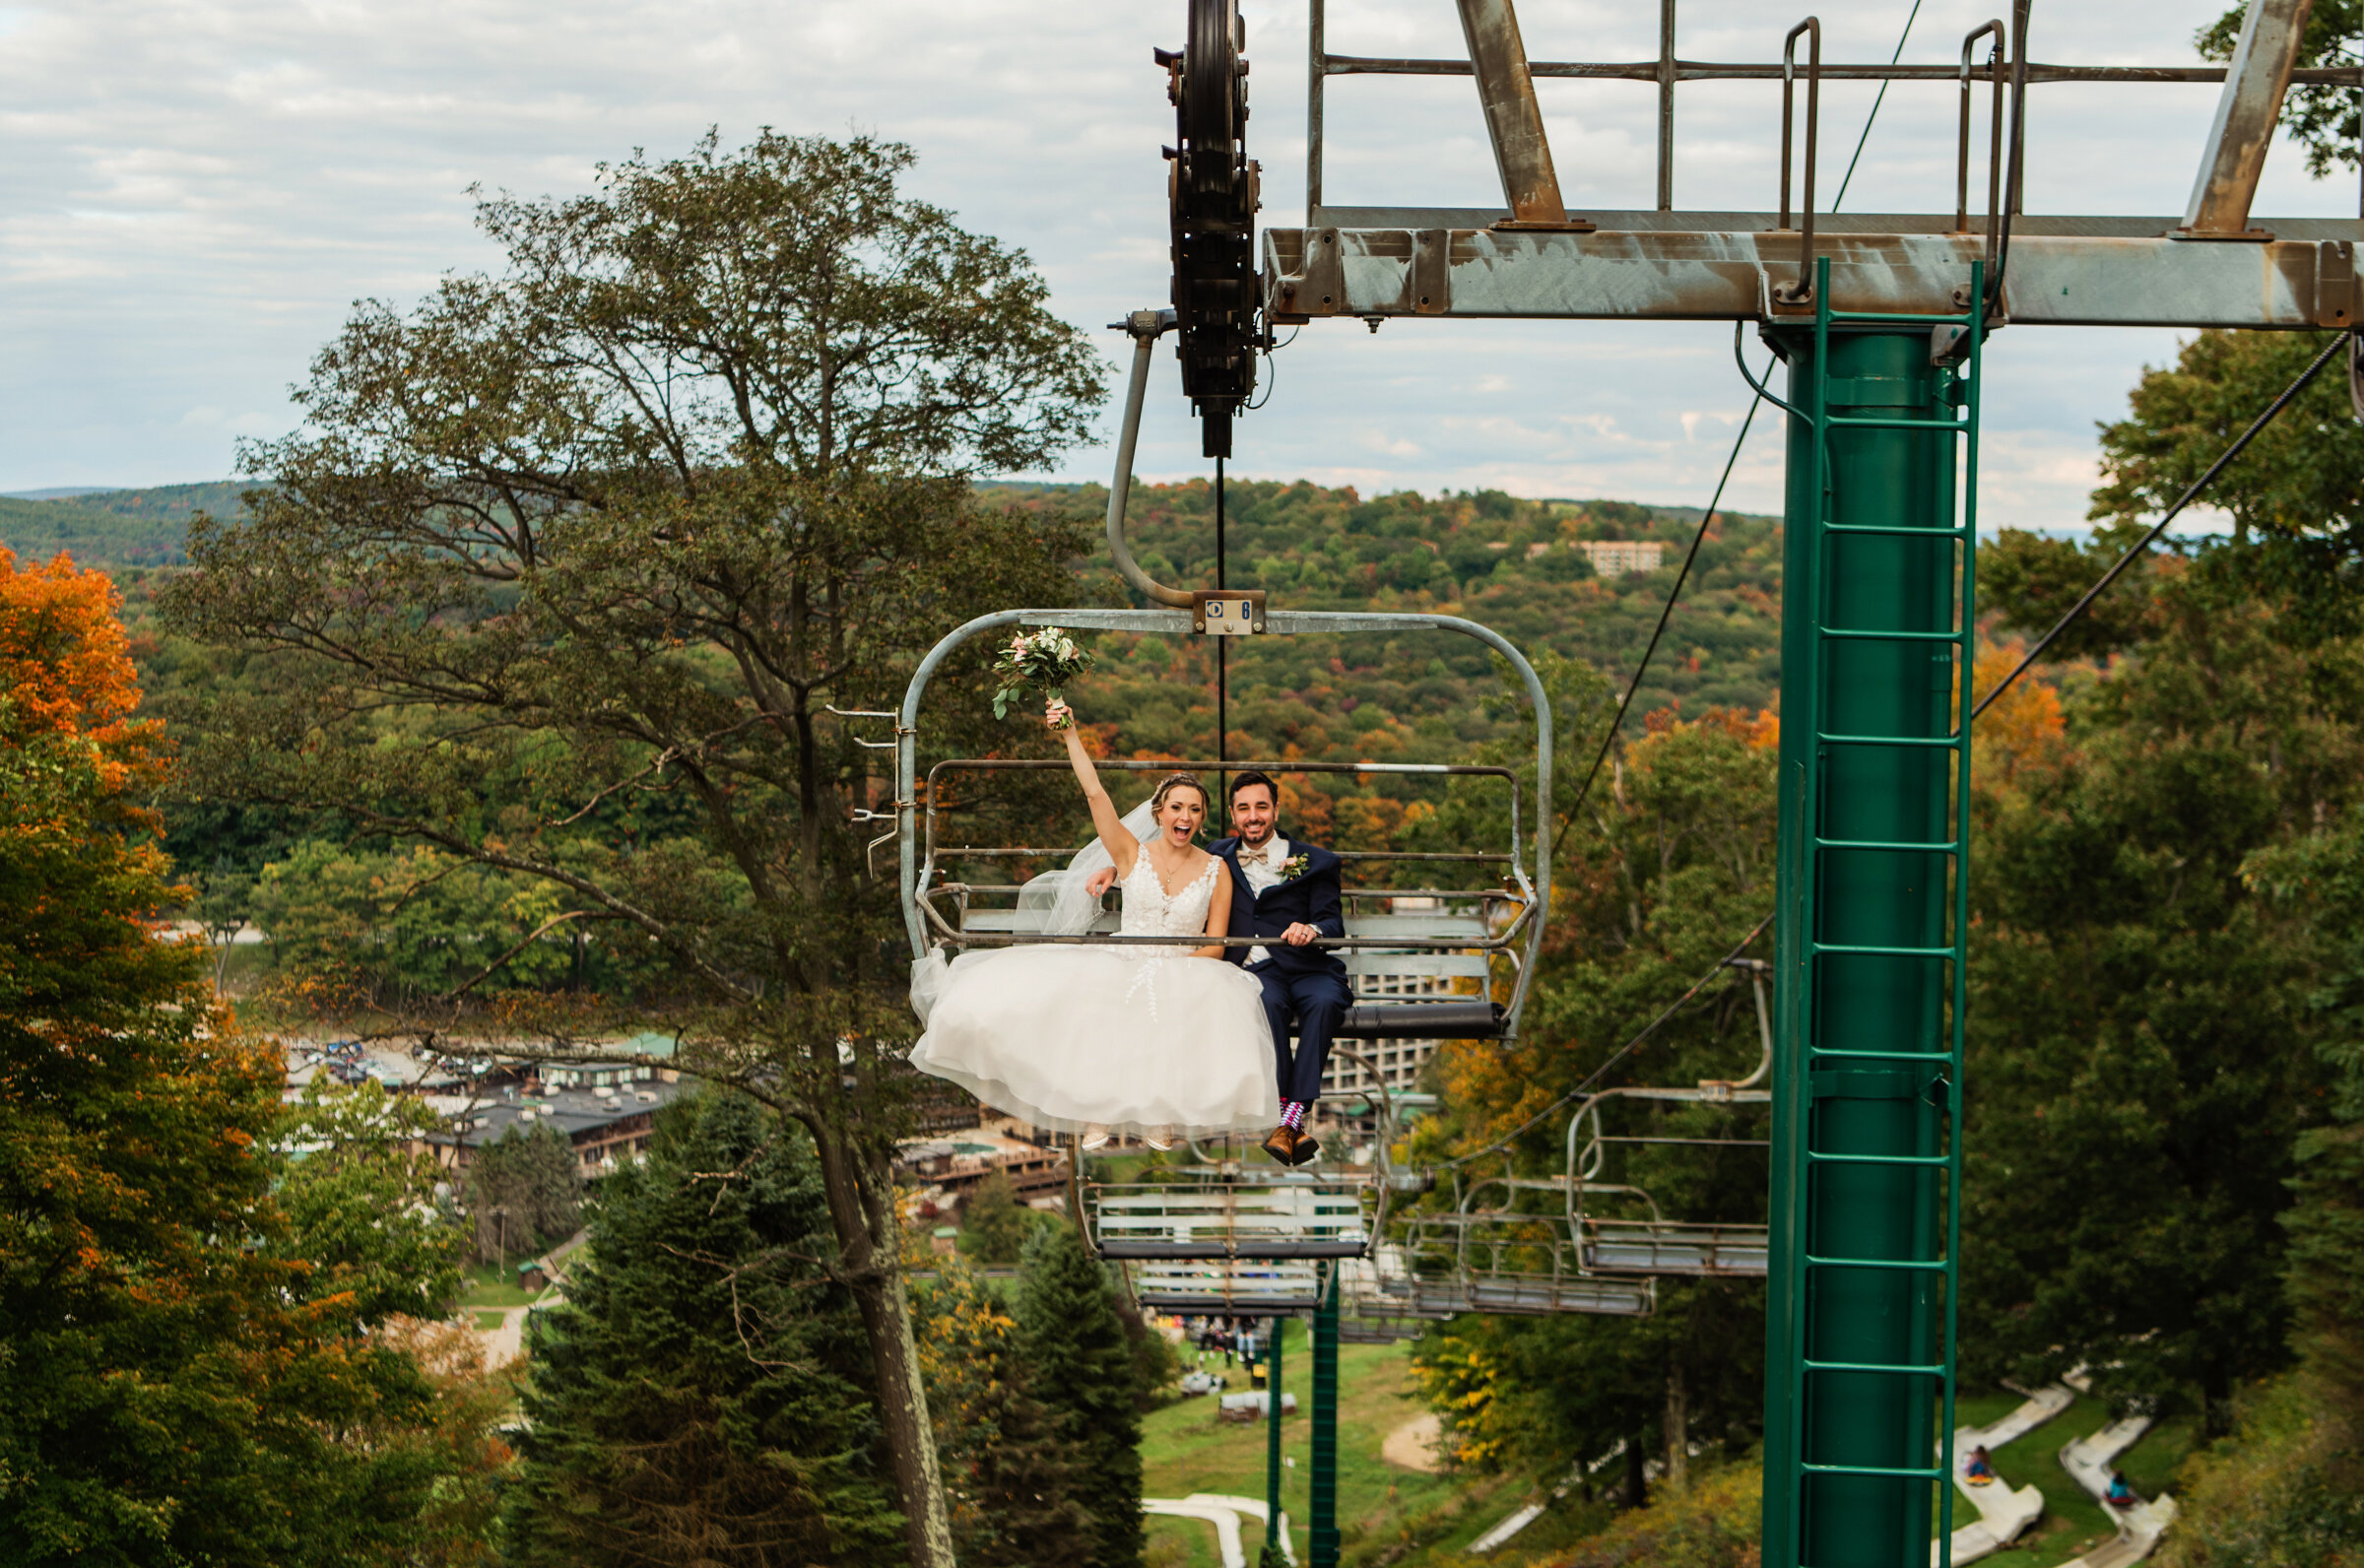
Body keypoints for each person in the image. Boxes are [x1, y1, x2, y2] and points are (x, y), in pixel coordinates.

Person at [907, 697, 1280, 1147]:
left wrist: (1177, 970)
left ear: (1203, 820)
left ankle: (1159, 1111)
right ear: (1159, 813)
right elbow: (1095, 794)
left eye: (1195, 810)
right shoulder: (1129, 853)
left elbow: (1216, 943)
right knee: (1098, 997)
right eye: (1177, 808)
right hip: (1126, 954)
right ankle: (1095, 1110)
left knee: (1180, 999)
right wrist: (1069, 734)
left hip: (1189, 965)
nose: (1185, 817)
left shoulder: (1216, 869)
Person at [1211, 769, 1354, 1166]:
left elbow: (1333, 924)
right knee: (1264, 1005)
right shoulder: (1215, 854)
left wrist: (1311, 928)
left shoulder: (1316, 861)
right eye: (1244, 809)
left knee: (1325, 1003)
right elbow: (1164, 866)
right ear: (1233, 814)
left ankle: (1289, 1118)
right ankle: (1291, 1118)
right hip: (1258, 972)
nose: (1253, 816)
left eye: (1261, 806)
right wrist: (1112, 872)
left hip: (1308, 967)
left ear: (1276, 809)